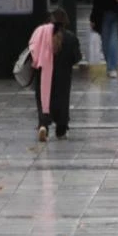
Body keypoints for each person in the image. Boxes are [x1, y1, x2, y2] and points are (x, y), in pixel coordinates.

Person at [29, 9, 81, 142]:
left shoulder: (41, 34)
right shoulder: (70, 37)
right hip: (63, 78)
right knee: (62, 102)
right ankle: (61, 130)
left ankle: (43, 125)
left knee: (43, 100)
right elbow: (76, 58)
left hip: (43, 76)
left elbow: (32, 51)